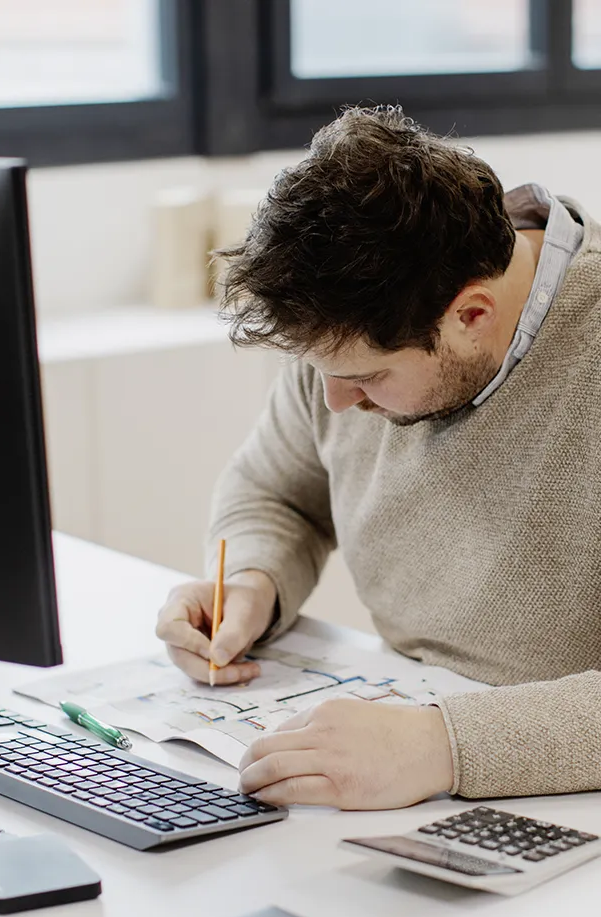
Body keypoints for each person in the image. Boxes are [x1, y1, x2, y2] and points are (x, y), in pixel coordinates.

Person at [156, 104, 601, 811]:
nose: (335, 403)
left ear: (472, 315)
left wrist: (443, 746)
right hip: (420, 755)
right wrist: (249, 581)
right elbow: (276, 492)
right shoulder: (355, 326)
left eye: (366, 378)